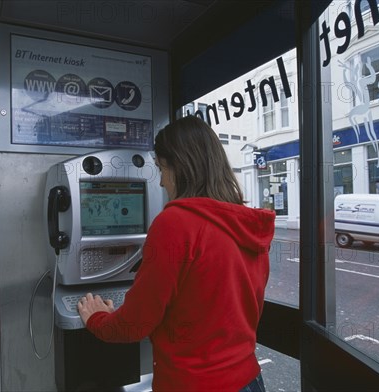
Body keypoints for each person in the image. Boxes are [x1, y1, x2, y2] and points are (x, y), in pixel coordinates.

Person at [77, 116, 276, 392]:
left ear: (179, 167)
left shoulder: (176, 223)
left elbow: (135, 325)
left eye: (161, 169)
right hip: (249, 380)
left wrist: (97, 318)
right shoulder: (248, 223)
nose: (160, 183)